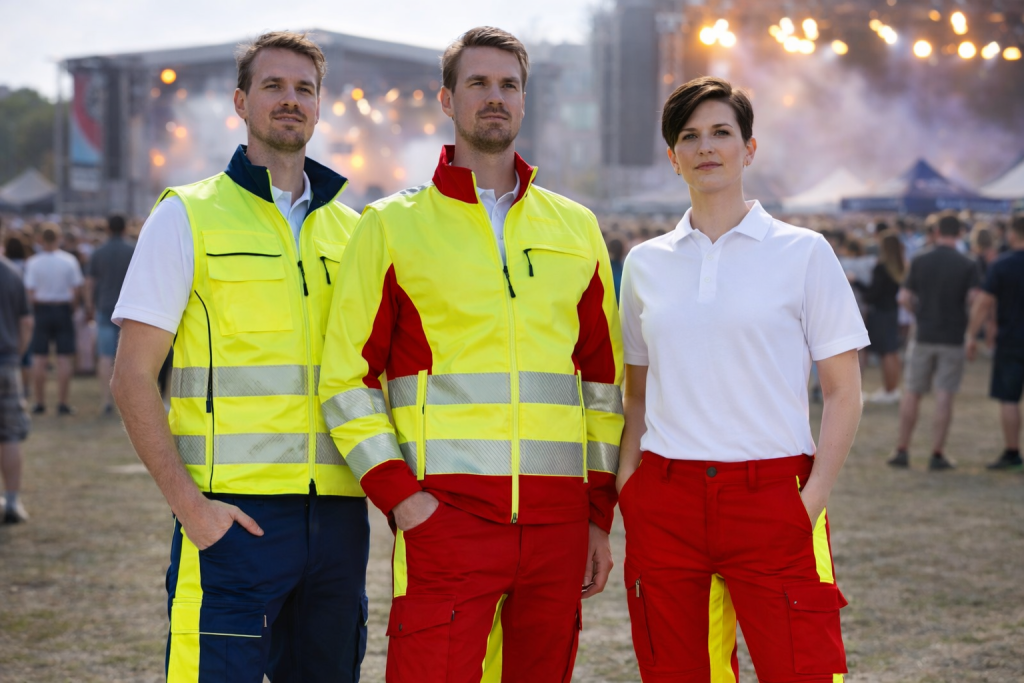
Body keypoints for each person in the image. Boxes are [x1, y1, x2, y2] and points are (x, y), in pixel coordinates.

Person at [318, 26, 623, 682]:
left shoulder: (576, 228)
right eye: (478, 83)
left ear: (524, 100)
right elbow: (345, 380)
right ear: (447, 99)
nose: (495, 96)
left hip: (559, 527)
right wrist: (403, 501)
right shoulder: (390, 225)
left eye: (509, 85)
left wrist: (597, 516)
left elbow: (603, 386)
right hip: (446, 520)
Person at [110, 31, 369, 683]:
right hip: (231, 517)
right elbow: (132, 376)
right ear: (240, 101)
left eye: (304, 89)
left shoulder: (357, 232)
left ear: (320, 106)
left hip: (339, 520)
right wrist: (193, 511)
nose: (290, 99)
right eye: (273, 85)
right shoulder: (186, 216)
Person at [617, 76, 866, 683]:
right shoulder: (645, 264)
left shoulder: (804, 252)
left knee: (803, 670)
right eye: (689, 136)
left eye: (721, 132)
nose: (706, 147)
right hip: (666, 500)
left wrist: (812, 499)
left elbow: (843, 391)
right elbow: (637, 392)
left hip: (774, 494)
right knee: (676, 673)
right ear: (673, 157)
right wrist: (629, 486)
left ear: (749, 149)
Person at [890, 213, 980, 470]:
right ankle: (937, 453)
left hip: (923, 334)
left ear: (937, 231)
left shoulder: (920, 259)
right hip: (953, 336)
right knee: (944, 395)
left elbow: (904, 297)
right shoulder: (968, 263)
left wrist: (919, 314)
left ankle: (902, 449)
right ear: (960, 233)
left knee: (912, 392)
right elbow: (973, 299)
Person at [966, 215, 1024, 470]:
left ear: (1012, 235)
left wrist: (971, 335)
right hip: (1010, 340)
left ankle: (1012, 452)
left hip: (1011, 340)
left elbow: (983, 303)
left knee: (1009, 399)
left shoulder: (1002, 264)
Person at [24, 225, 83, 415]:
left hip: (41, 309)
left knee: (39, 357)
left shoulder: (34, 262)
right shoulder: (69, 260)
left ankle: (39, 402)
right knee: (63, 358)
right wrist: (73, 308)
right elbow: (76, 290)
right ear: (59, 238)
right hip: (62, 308)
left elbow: (30, 292)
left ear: (41, 239)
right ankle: (62, 403)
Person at [85, 215, 135, 415]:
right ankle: (129, 401)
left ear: (107, 229)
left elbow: (90, 282)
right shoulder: (133, 250)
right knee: (130, 357)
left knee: (105, 356)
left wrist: (89, 305)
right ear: (125, 229)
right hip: (130, 309)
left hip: (105, 307)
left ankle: (106, 400)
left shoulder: (99, 252)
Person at [0, 252, 33, 523]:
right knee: (9, 435)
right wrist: (17, 355)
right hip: (6, 362)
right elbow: (26, 322)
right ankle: (12, 501)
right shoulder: (11, 272)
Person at [861, 229, 905, 404]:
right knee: (891, 352)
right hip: (892, 311)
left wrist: (856, 282)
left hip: (880, 313)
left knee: (886, 352)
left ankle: (889, 390)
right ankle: (892, 389)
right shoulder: (900, 266)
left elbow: (872, 294)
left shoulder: (882, 268)